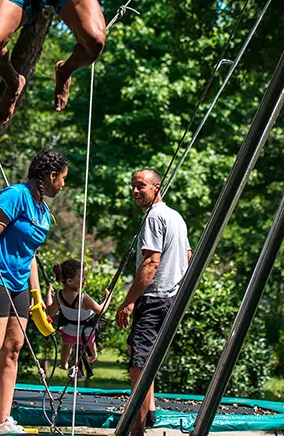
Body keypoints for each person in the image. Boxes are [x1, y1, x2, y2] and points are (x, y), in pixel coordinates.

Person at [0, 149, 69, 433]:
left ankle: (2, 421)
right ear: (51, 175)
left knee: (13, 350)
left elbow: (29, 254)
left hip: (19, 284)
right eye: (63, 178)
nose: (63, 185)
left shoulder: (42, 209)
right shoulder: (15, 195)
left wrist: (37, 298)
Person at [115, 169, 191, 435]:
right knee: (145, 354)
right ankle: (150, 411)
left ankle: (135, 426)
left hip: (155, 297)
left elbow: (150, 263)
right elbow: (188, 256)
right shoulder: (176, 217)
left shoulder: (154, 217)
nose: (136, 191)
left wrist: (128, 301)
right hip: (171, 298)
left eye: (142, 186)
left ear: (157, 186)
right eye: (133, 186)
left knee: (138, 360)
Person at [45, 259, 110, 375]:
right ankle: (93, 355)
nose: (84, 279)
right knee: (91, 342)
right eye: (81, 276)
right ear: (69, 281)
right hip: (86, 334)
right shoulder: (83, 298)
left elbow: (50, 312)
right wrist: (107, 298)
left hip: (69, 333)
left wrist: (49, 293)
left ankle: (64, 362)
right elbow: (101, 310)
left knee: (66, 345)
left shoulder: (59, 295)